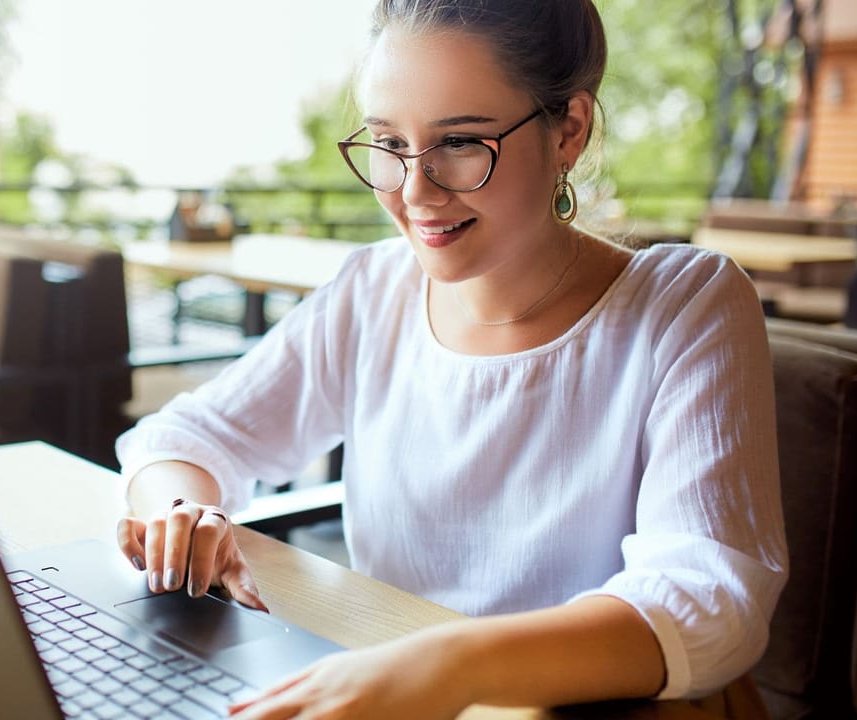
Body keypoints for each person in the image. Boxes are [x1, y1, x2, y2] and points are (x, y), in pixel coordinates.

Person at [114, 1, 788, 717]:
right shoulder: (373, 291)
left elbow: (710, 598)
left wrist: (450, 664)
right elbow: (184, 439)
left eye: (460, 143)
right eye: (387, 144)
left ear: (570, 130)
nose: (414, 192)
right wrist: (182, 516)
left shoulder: (684, 307)